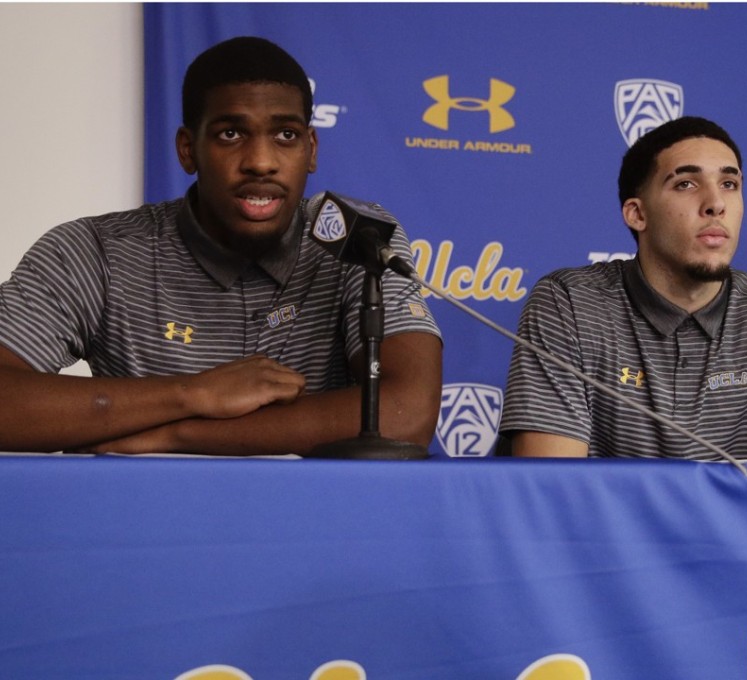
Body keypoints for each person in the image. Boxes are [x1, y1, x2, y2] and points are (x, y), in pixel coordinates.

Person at [0, 36, 443, 455]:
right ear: (188, 150)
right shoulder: (95, 251)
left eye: (285, 135)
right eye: (231, 134)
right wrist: (193, 392)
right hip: (149, 521)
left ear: (311, 149)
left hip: (315, 526)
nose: (261, 162)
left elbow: (407, 414)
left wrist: (175, 434)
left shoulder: (357, 240)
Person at [499, 116, 747, 461]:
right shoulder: (569, 303)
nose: (715, 203)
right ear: (637, 214)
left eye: (729, 184)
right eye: (686, 184)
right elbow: (551, 487)